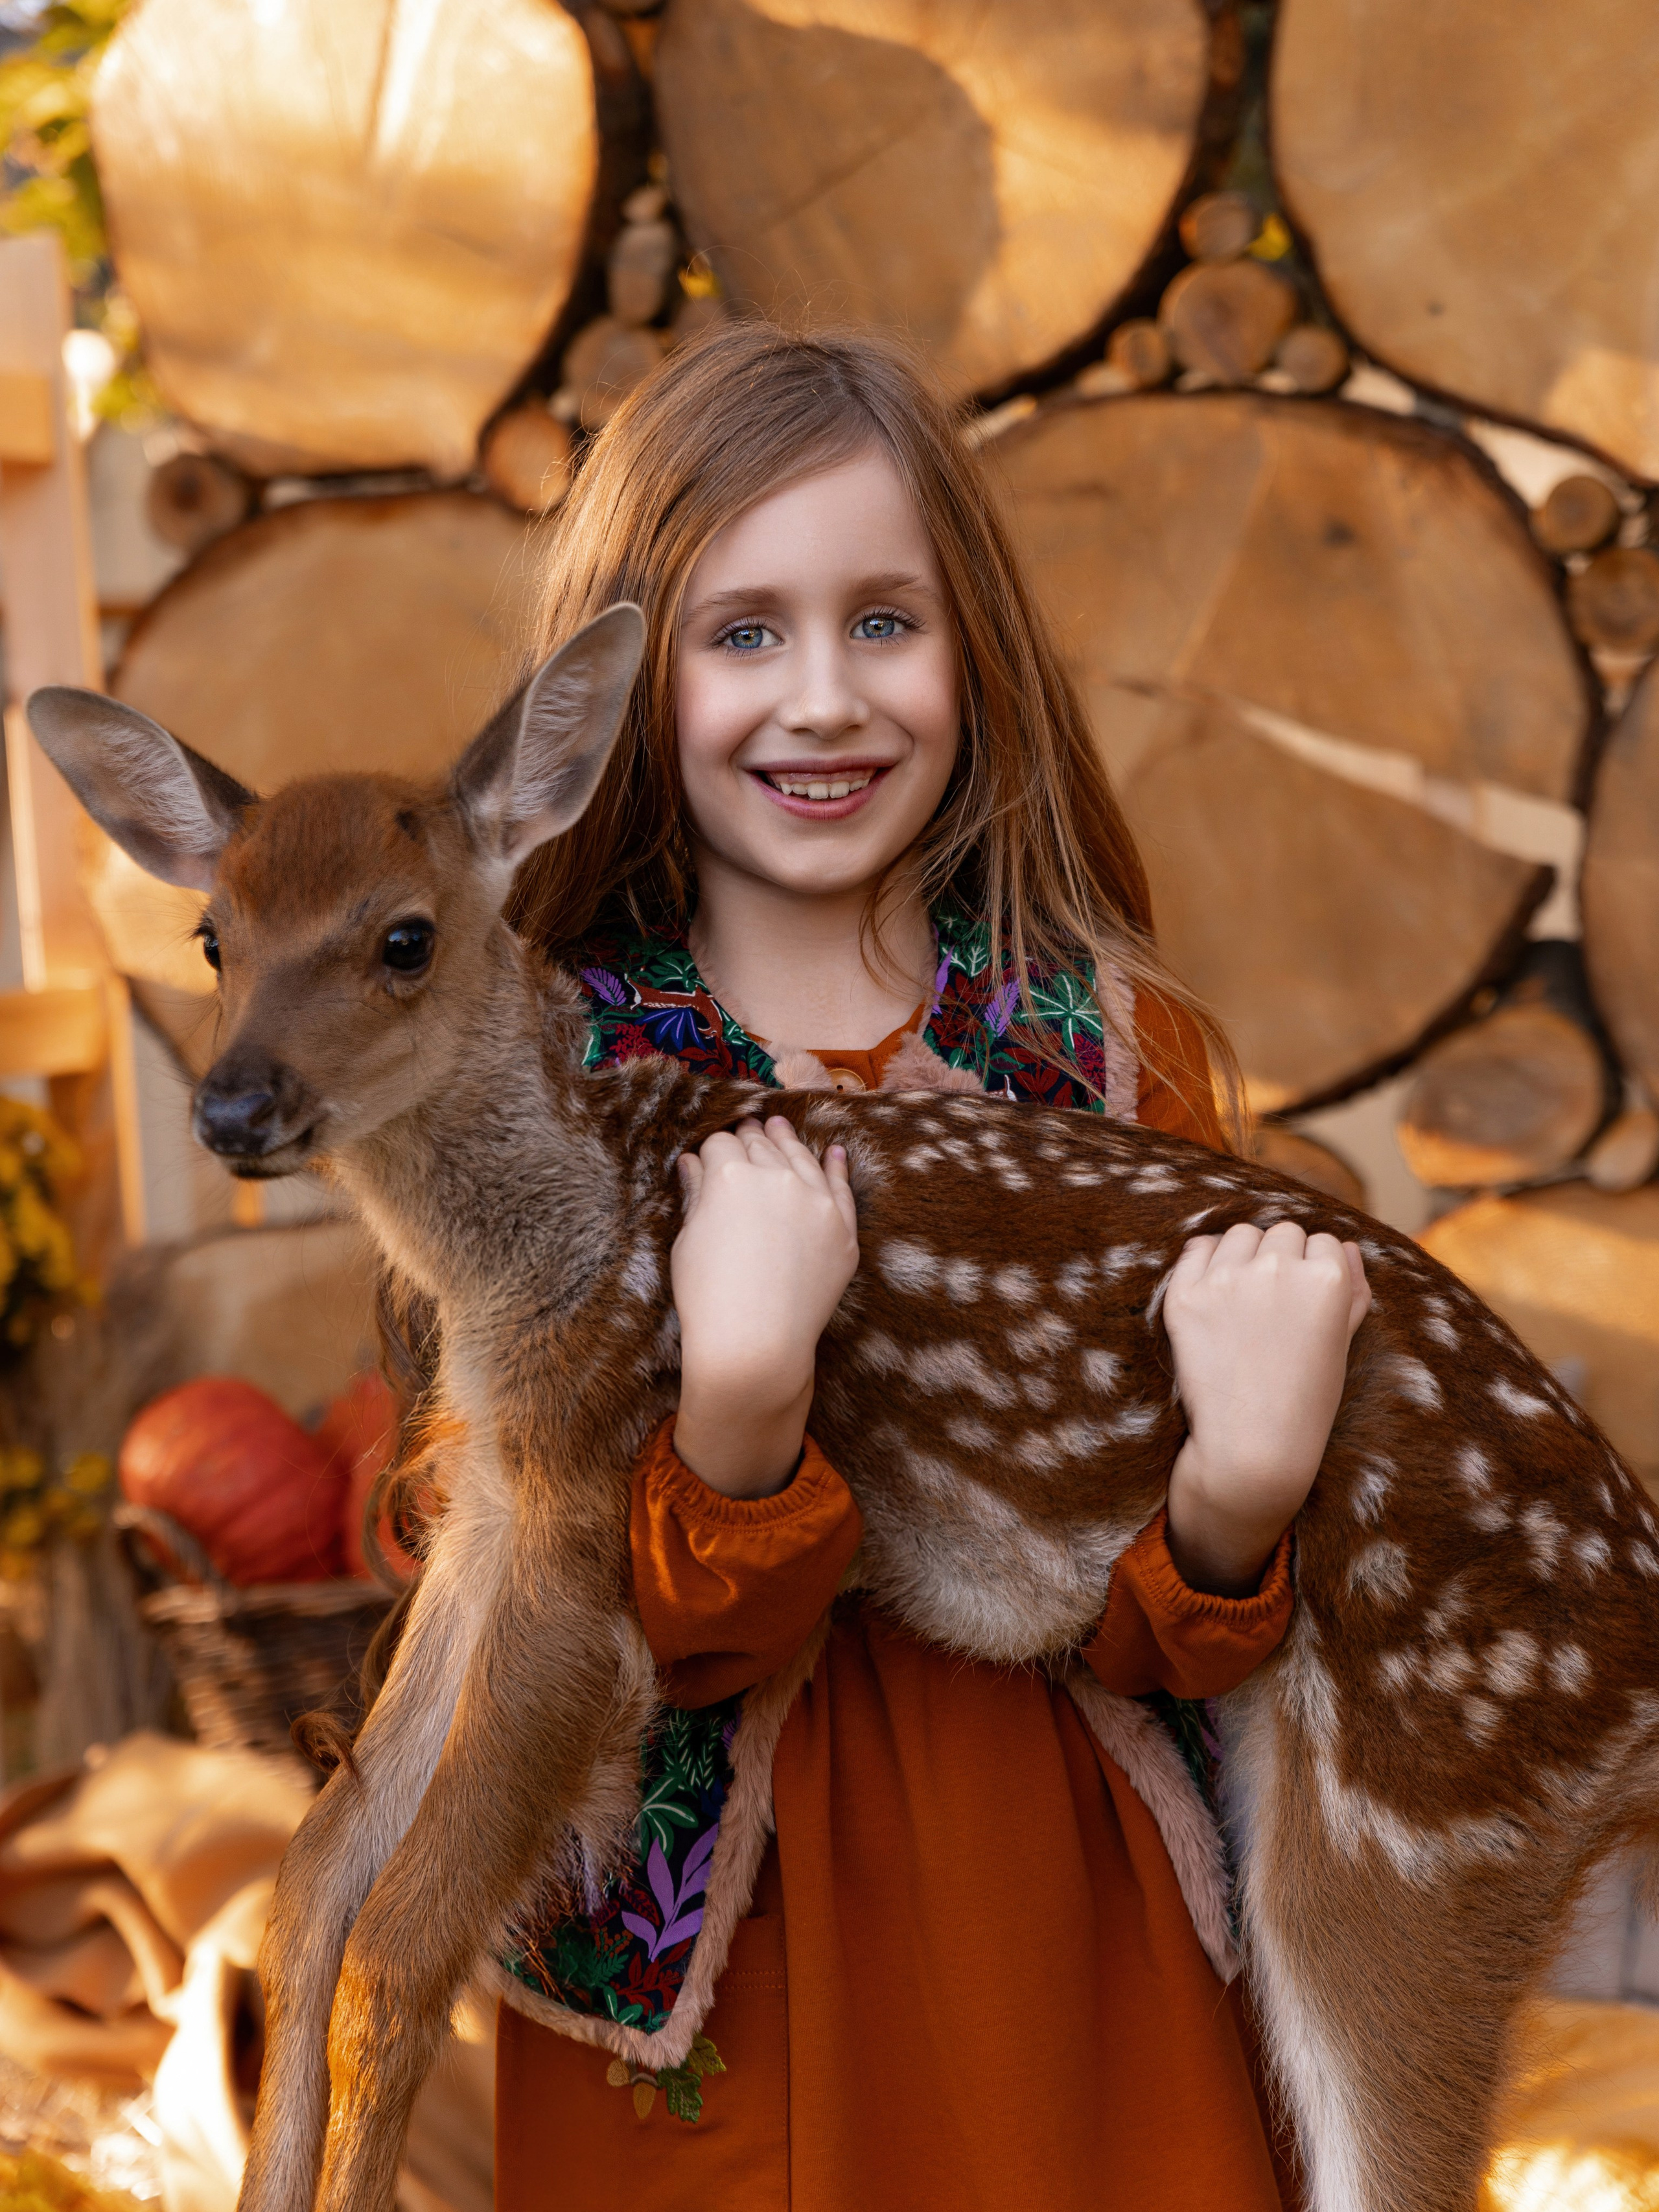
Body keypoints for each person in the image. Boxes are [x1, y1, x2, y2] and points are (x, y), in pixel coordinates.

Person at [491, 319, 1369, 2211]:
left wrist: (1238, 1490)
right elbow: (522, 1628)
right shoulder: (538, 1087)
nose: (825, 698)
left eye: (885, 621)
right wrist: (735, 1415)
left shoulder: (1115, 1061)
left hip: (1067, 1928)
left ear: (975, 648)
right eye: (743, 634)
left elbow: (1184, 1641)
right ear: (622, 683)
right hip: (715, 1980)